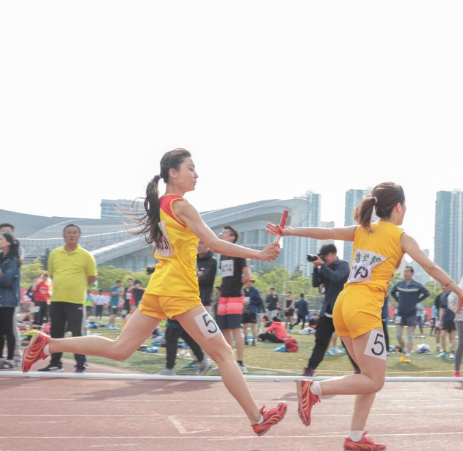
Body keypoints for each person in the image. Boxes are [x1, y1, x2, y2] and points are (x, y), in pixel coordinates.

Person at [23, 148, 286, 435]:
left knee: (120, 349)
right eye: (191, 168)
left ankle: (49, 344)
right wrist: (259, 254)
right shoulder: (182, 206)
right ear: (173, 173)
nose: (196, 174)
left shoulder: (160, 204)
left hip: (159, 288)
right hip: (180, 292)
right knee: (224, 354)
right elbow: (213, 243)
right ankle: (257, 418)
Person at [267, 182, 463, 451]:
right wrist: (461, 293)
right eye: (405, 206)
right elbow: (429, 265)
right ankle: (313, 389)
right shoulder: (401, 237)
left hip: (344, 304)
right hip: (364, 308)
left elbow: (326, 232)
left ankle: (355, 436)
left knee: (366, 376)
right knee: (375, 380)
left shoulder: (362, 229)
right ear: (398, 207)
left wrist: (289, 231)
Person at [40, 224, 97, 373]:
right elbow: (52, 274)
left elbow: (92, 277)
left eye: (75, 232)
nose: (71, 235)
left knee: (77, 334)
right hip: (57, 299)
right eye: (69, 232)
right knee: (56, 333)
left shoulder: (86, 255)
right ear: (63, 235)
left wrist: (76, 286)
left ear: (79, 236)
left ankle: (81, 364)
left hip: (76, 301)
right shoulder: (55, 254)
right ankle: (55, 363)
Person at [300, 244, 356, 377]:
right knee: (320, 342)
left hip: (342, 311)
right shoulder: (325, 267)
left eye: (325, 256)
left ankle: (359, 369)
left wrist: (322, 266)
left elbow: (335, 277)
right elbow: (315, 283)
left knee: (347, 343)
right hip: (327, 312)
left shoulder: (343, 265)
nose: (324, 259)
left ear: (333, 254)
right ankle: (310, 369)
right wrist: (315, 267)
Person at [0, 223, 25, 366]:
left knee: (8, 330)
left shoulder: (12, 260)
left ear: (8, 242)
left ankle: (10, 359)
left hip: (7, 300)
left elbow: (7, 280)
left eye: (1, 239)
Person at [216, 225, 250, 373]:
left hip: (235, 295)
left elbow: (247, 273)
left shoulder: (238, 252)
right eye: (222, 232)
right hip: (223, 294)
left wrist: (246, 280)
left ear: (232, 237)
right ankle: (229, 361)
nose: (222, 234)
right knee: (224, 329)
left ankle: (241, 362)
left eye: (225, 233)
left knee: (236, 328)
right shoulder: (223, 254)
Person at [390, 266, 430, 363]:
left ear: (412, 274)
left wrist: (417, 301)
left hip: (411, 314)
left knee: (410, 336)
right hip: (400, 314)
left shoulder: (417, 285)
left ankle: (407, 355)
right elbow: (392, 292)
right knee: (398, 335)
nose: (405, 273)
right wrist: (398, 300)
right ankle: (405, 350)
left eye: (407, 272)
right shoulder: (399, 284)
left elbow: (426, 293)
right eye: (404, 272)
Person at [196, 240, 217, 310]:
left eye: (201, 243)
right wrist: (199, 275)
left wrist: (194, 277)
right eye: (197, 243)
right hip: (192, 300)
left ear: (207, 245)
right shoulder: (193, 260)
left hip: (205, 301)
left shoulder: (212, 261)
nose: (199, 246)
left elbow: (207, 279)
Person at [242, 279, 262, 346]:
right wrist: (243, 302)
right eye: (248, 282)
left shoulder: (255, 291)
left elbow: (259, 301)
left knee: (253, 326)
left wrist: (250, 302)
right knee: (245, 326)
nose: (249, 283)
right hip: (244, 310)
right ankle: (245, 340)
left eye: (251, 282)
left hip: (252, 310)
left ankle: (254, 340)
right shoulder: (243, 290)